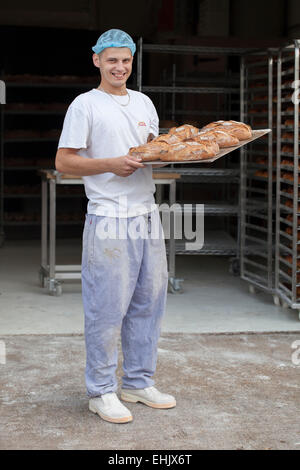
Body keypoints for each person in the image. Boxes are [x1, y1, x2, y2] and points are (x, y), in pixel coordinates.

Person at [55, 29, 176, 424]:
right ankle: (102, 391)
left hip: (146, 216)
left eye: (126, 60)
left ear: (132, 62)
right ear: (96, 61)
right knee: (107, 308)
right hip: (108, 217)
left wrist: (173, 152)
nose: (119, 67)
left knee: (149, 303)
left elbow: (152, 150)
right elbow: (64, 162)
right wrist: (110, 163)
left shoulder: (143, 102)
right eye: (111, 60)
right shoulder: (84, 105)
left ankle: (139, 382)